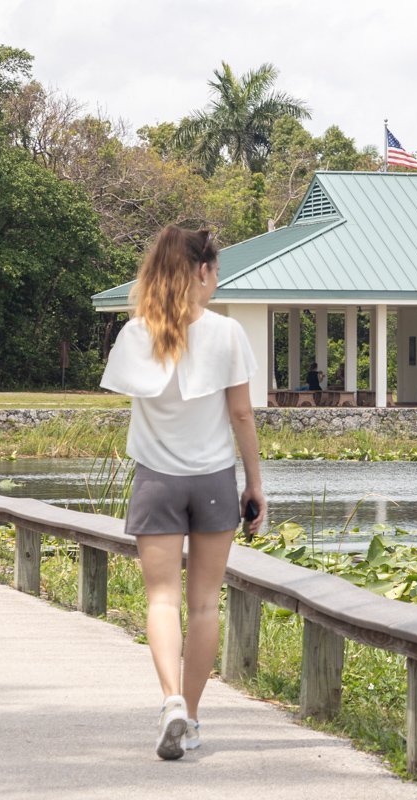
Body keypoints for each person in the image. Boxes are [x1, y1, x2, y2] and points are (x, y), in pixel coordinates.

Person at [100, 225, 266, 760]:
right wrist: (255, 485)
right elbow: (241, 414)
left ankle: (169, 699)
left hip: (156, 480)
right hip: (214, 478)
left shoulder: (135, 334)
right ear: (201, 271)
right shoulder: (226, 333)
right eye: (215, 271)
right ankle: (190, 718)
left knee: (162, 599)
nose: (217, 280)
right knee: (203, 605)